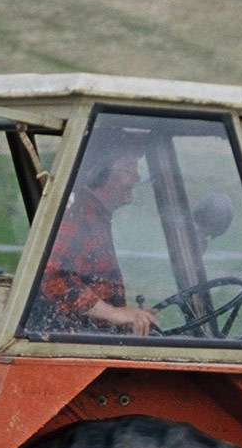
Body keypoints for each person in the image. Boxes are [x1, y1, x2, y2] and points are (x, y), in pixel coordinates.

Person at [29, 144, 160, 336]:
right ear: (100, 174)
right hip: (70, 343)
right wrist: (114, 314)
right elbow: (52, 274)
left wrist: (131, 315)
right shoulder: (79, 216)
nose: (137, 177)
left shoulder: (96, 216)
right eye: (127, 169)